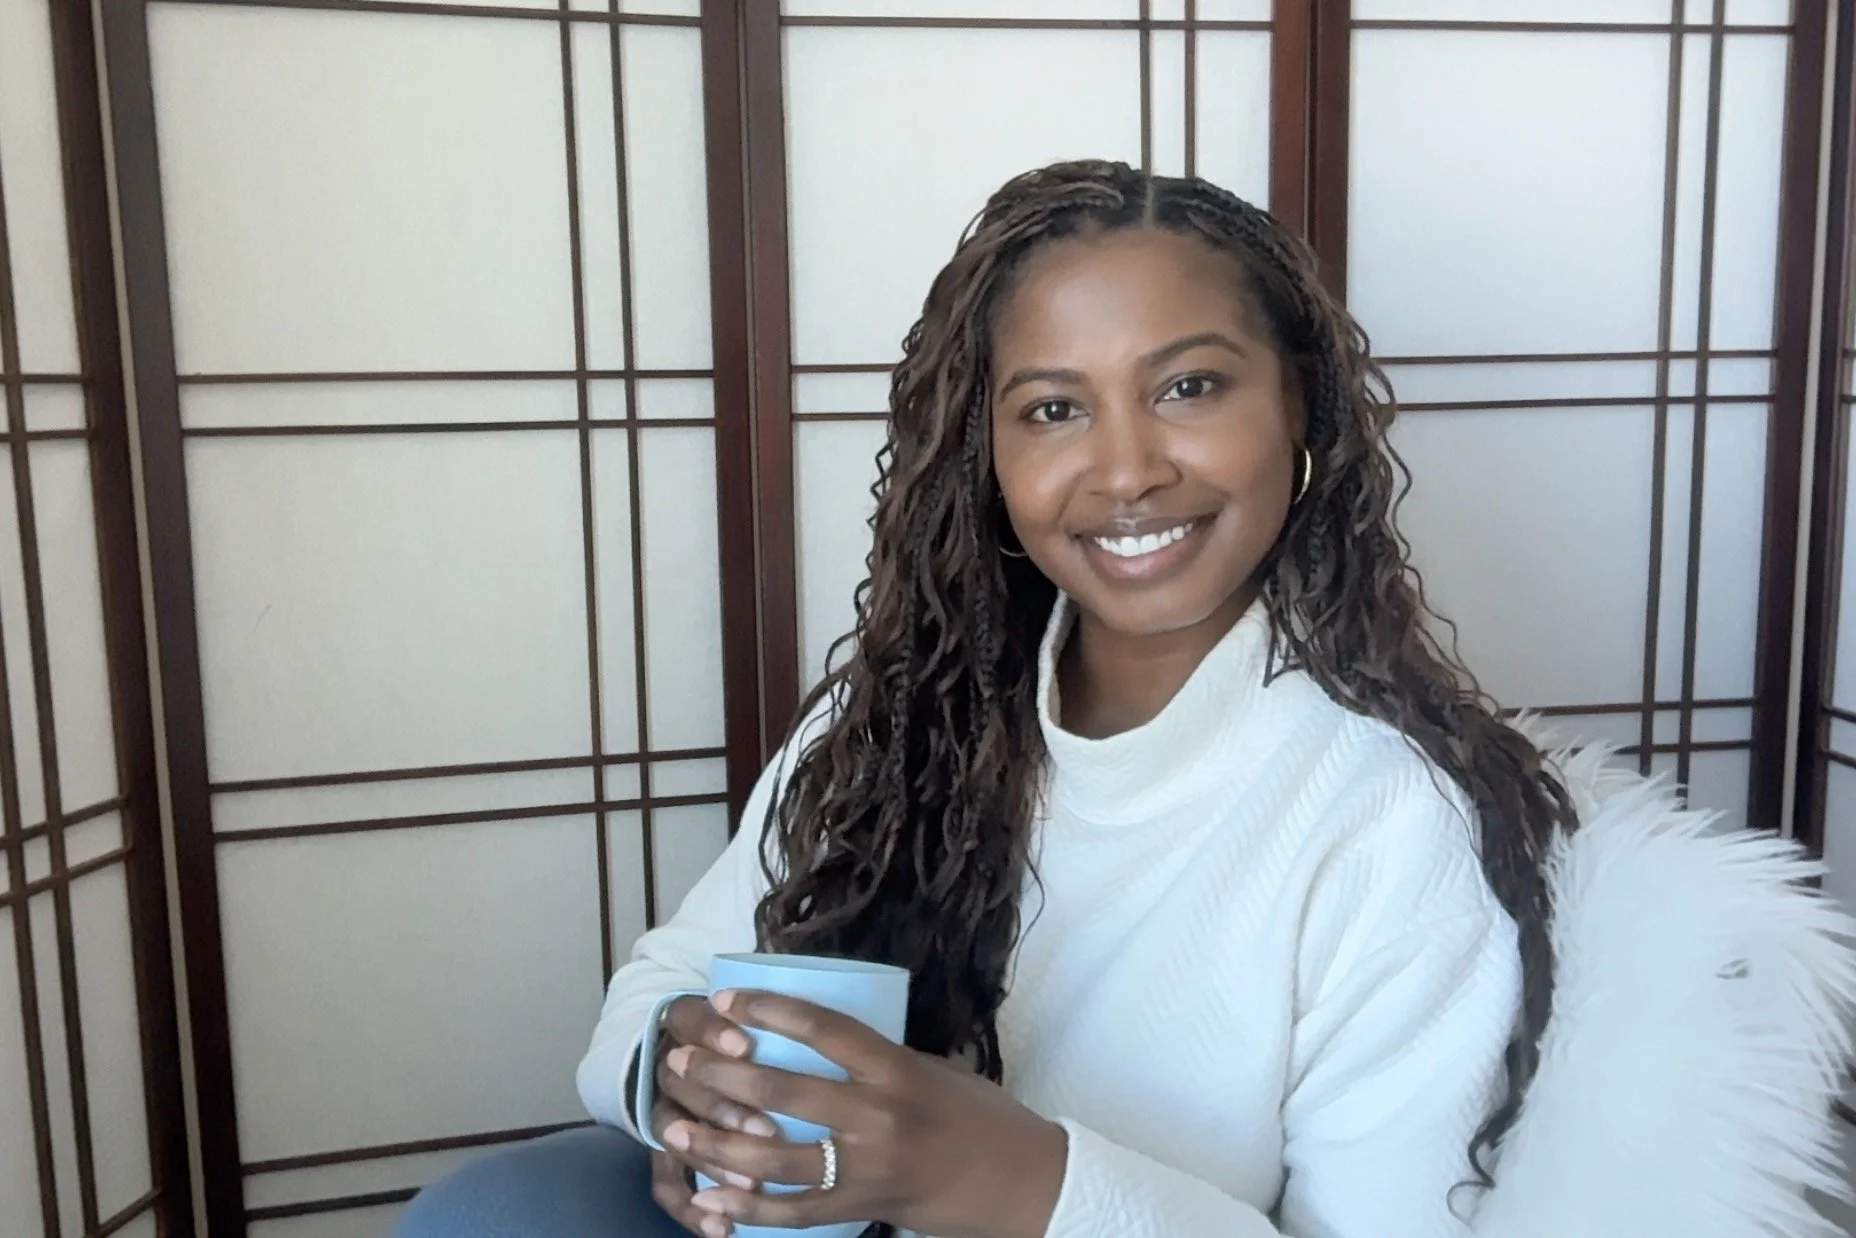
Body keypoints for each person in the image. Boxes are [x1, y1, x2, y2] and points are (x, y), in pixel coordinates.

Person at [399, 161, 1856, 1238]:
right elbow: (654, 994)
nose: (1125, 469)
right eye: (1050, 408)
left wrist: (1009, 1176)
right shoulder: (901, 719)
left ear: (1303, 412)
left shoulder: (1395, 817)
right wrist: (692, 1089)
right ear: (985, 455)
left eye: (1189, 387)